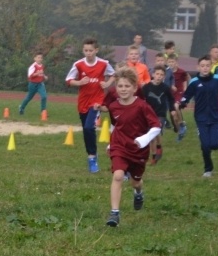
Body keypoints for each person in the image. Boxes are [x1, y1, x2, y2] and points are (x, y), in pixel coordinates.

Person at [105, 67, 161, 227]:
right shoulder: (113, 106)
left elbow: (156, 126)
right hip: (119, 146)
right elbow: (115, 126)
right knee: (118, 175)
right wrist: (110, 143)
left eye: (127, 86)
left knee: (135, 181)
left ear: (135, 88)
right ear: (116, 87)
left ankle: (138, 193)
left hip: (138, 150)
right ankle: (114, 213)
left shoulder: (142, 106)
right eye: (120, 86)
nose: (123, 89)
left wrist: (144, 139)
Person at [177, 55, 218, 177]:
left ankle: (217, 143)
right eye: (202, 66)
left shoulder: (216, 79)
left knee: (215, 145)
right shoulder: (194, 82)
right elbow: (187, 95)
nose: (205, 68)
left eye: (207, 66)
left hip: (216, 117)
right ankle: (208, 169)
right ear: (198, 67)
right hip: (201, 118)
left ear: (211, 67)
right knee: (205, 146)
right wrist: (183, 102)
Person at [65, 38, 115, 173]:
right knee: (86, 130)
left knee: (89, 127)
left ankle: (92, 158)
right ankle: (92, 154)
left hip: (97, 101)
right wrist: (79, 82)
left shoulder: (104, 64)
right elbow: (69, 80)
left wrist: (108, 83)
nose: (88, 53)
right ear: (83, 50)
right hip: (83, 102)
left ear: (96, 50)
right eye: (86, 50)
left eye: (91, 50)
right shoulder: (79, 65)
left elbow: (113, 75)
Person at [141, 65, 174, 164]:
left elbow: (171, 99)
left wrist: (172, 109)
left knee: (154, 132)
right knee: (152, 135)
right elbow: (142, 100)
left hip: (161, 114)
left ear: (164, 77)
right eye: (157, 74)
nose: (159, 76)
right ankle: (156, 152)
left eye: (162, 75)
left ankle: (155, 155)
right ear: (153, 75)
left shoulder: (165, 88)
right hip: (149, 114)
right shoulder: (146, 88)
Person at [18, 51, 48, 119]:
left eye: (41, 58)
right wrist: (36, 74)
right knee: (29, 97)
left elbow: (41, 73)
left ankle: (43, 111)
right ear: (35, 58)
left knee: (44, 96)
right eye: (38, 57)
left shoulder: (42, 66)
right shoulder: (33, 66)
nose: (40, 59)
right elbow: (30, 76)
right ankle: (21, 108)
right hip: (33, 84)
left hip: (40, 84)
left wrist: (44, 76)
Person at [166, 53, 188, 140]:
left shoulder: (181, 72)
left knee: (176, 106)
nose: (171, 63)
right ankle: (180, 133)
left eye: (172, 62)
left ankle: (182, 124)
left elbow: (185, 80)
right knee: (174, 116)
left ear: (176, 62)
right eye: (169, 62)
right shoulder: (166, 72)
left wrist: (185, 90)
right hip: (170, 95)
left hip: (179, 93)